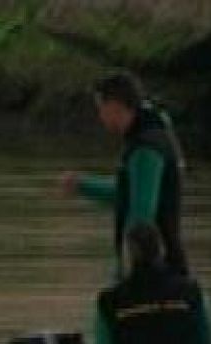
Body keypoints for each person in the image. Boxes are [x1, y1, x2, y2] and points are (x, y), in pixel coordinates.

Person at [62, 72, 189, 279]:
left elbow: (142, 215)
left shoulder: (145, 149)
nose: (100, 116)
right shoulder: (154, 136)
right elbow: (130, 193)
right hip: (167, 270)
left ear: (113, 106)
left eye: (100, 108)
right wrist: (83, 186)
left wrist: (128, 275)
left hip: (153, 274)